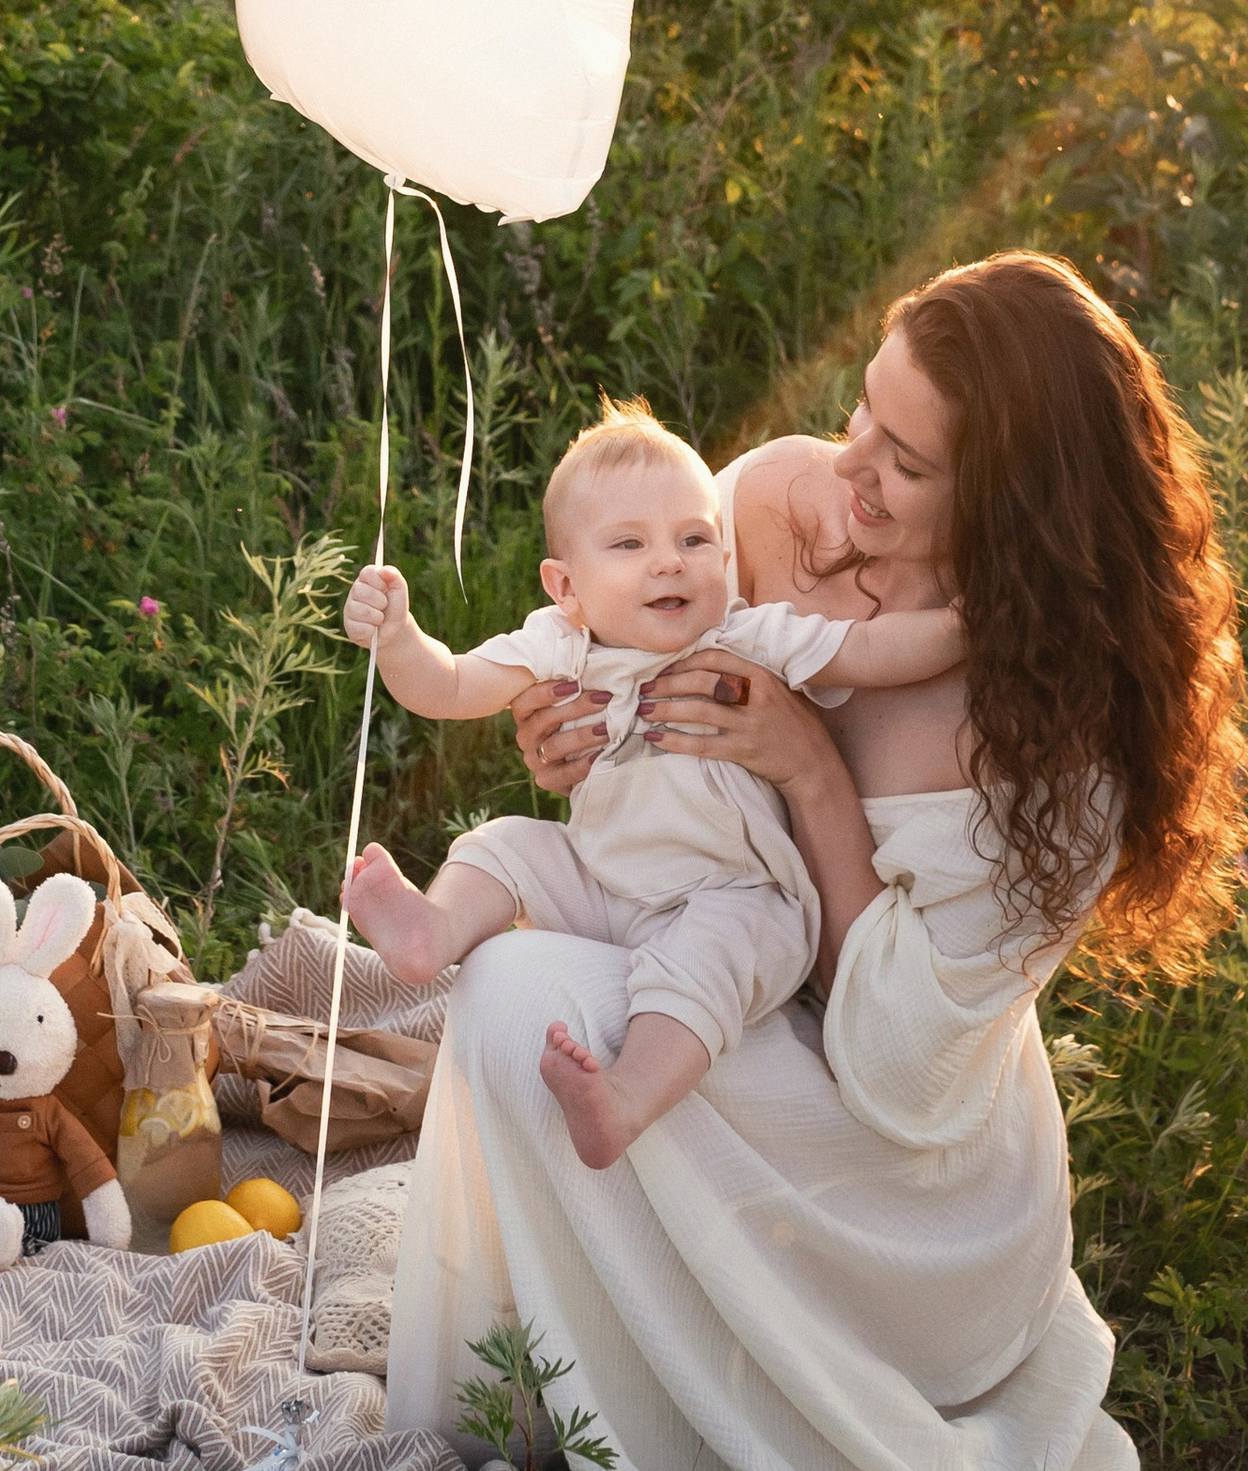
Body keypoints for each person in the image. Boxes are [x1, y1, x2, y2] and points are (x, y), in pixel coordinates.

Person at [384, 251, 1248, 1471]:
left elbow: (897, 1069)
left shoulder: (1054, 746)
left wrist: (812, 773)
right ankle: (505, 1429)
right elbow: (647, 659)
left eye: (905, 463)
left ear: (1012, 506)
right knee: (507, 981)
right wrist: (572, 742)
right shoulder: (783, 501)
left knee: (535, 1003)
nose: (849, 471)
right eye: (864, 412)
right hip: (735, 977)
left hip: (905, 1173)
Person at [341, 397, 964, 1167]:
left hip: (732, 890)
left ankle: (628, 1096)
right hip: (603, 883)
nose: (670, 561)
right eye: (630, 544)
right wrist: (398, 638)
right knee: (505, 844)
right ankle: (431, 931)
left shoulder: (744, 632)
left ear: (724, 559)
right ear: (565, 586)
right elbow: (451, 686)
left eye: (695, 539)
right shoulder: (560, 644)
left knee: (712, 957)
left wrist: (958, 628)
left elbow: (868, 652)